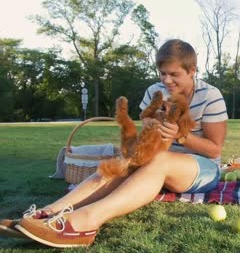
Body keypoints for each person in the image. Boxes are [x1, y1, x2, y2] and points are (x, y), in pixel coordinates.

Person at [0, 39, 228, 248]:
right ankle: (47, 214)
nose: (166, 80)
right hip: (158, 158)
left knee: (159, 160)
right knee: (117, 164)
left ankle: (85, 222)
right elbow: (145, 120)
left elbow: (214, 149)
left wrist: (182, 135)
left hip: (202, 169)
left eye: (174, 74)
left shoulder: (211, 96)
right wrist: (152, 122)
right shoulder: (155, 91)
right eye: (162, 74)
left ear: (192, 71)